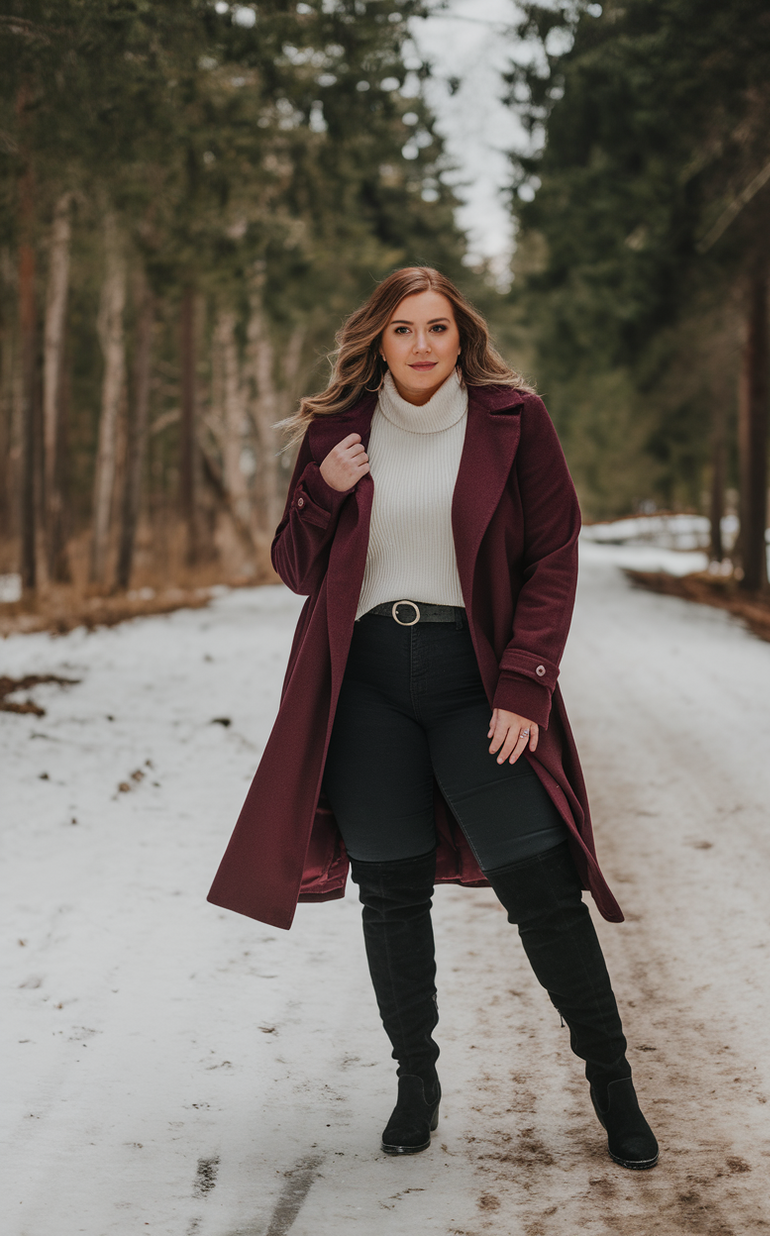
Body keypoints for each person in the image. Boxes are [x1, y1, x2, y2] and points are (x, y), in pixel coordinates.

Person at [207, 267, 658, 1170]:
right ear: (378, 338)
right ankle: (416, 1081)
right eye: (404, 329)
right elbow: (297, 567)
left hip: (474, 680)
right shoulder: (339, 431)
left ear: (461, 337)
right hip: (366, 683)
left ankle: (613, 1084)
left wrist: (526, 683)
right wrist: (324, 488)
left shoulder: (512, 421)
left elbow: (555, 553)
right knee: (391, 890)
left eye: (437, 329)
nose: (420, 344)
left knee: (540, 886)